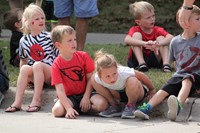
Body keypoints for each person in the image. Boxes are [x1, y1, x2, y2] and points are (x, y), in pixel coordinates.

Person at [134, 5, 200, 121]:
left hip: (196, 75)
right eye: (198, 19)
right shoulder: (175, 41)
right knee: (165, 88)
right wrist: (178, 74)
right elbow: (175, 62)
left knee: (187, 79)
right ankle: (146, 108)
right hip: (180, 74)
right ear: (185, 23)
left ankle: (178, 106)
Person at [5, 3, 59, 112]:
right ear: (28, 22)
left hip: (51, 74)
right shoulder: (24, 40)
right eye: (37, 18)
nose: (41, 20)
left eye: (42, 18)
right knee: (25, 68)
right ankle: (18, 102)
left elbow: (59, 58)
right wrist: (25, 78)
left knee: (37, 65)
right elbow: (23, 60)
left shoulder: (50, 37)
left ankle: (36, 100)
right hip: (36, 75)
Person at [51, 25, 108, 119]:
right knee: (57, 111)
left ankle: (81, 109)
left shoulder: (83, 56)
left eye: (74, 39)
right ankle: (72, 109)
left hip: (86, 92)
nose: (74, 43)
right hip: (69, 97)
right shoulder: (56, 65)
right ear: (58, 45)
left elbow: (91, 79)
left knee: (102, 104)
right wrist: (68, 108)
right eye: (69, 40)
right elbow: (60, 90)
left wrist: (86, 97)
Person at [90, 49, 155, 119]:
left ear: (117, 68)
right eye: (107, 76)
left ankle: (131, 105)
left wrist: (152, 89)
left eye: (114, 74)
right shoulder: (97, 77)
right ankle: (114, 106)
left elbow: (142, 76)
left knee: (132, 80)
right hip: (119, 94)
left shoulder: (124, 72)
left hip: (137, 92)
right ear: (100, 75)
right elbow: (92, 82)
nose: (112, 78)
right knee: (93, 80)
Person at [124, 1, 174, 72]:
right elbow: (127, 40)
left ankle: (166, 65)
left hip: (155, 58)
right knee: (136, 36)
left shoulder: (158, 30)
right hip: (137, 61)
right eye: (148, 17)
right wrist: (144, 43)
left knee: (162, 38)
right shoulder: (135, 29)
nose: (152, 19)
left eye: (153, 16)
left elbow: (171, 37)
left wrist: (158, 44)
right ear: (138, 22)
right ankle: (141, 64)